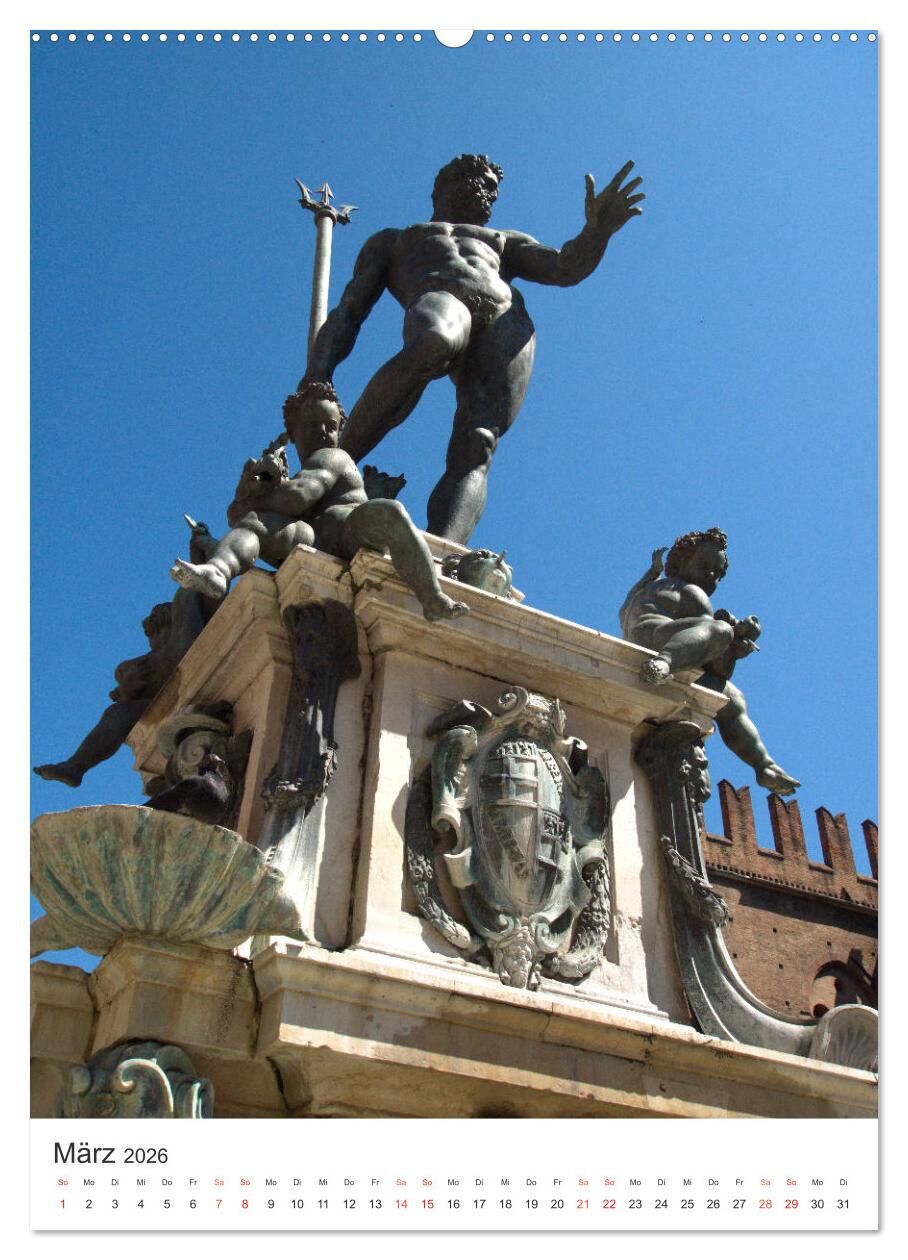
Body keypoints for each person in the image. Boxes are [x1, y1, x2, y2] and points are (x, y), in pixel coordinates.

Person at [305, 153, 645, 543]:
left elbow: (564, 267)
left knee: (479, 441)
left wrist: (596, 232)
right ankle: (332, 464)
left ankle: (444, 552)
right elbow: (349, 312)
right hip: (439, 295)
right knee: (435, 342)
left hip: (506, 319)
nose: (489, 193)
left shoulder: (504, 241)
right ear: (445, 185)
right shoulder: (396, 240)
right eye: (480, 181)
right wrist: (318, 373)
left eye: (494, 189)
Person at [170, 381, 469, 622]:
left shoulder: (332, 457)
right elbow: (239, 517)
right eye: (313, 425)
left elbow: (298, 497)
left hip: (352, 528)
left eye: (332, 426)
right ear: (293, 433)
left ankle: (431, 595)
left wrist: (262, 491)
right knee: (256, 525)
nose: (324, 432)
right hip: (317, 538)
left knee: (390, 512)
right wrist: (251, 485)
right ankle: (218, 572)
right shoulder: (295, 474)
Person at [620, 527, 800, 796]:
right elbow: (716, 660)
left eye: (718, 573)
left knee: (731, 698)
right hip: (660, 645)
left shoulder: (648, 590)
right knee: (721, 632)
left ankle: (765, 765)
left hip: (650, 640)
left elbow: (628, 609)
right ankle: (664, 663)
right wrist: (734, 640)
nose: (712, 576)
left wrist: (652, 572)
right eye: (705, 566)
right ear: (680, 563)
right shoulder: (692, 592)